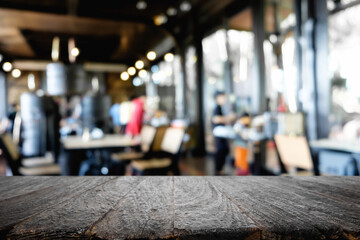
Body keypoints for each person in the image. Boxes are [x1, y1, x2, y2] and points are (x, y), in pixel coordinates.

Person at [211, 91, 236, 175]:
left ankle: (220, 170)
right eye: (223, 97)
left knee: (225, 150)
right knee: (221, 151)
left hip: (221, 134)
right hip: (219, 134)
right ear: (218, 98)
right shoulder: (217, 107)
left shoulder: (220, 107)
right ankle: (218, 170)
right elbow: (216, 119)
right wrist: (228, 118)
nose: (225, 99)